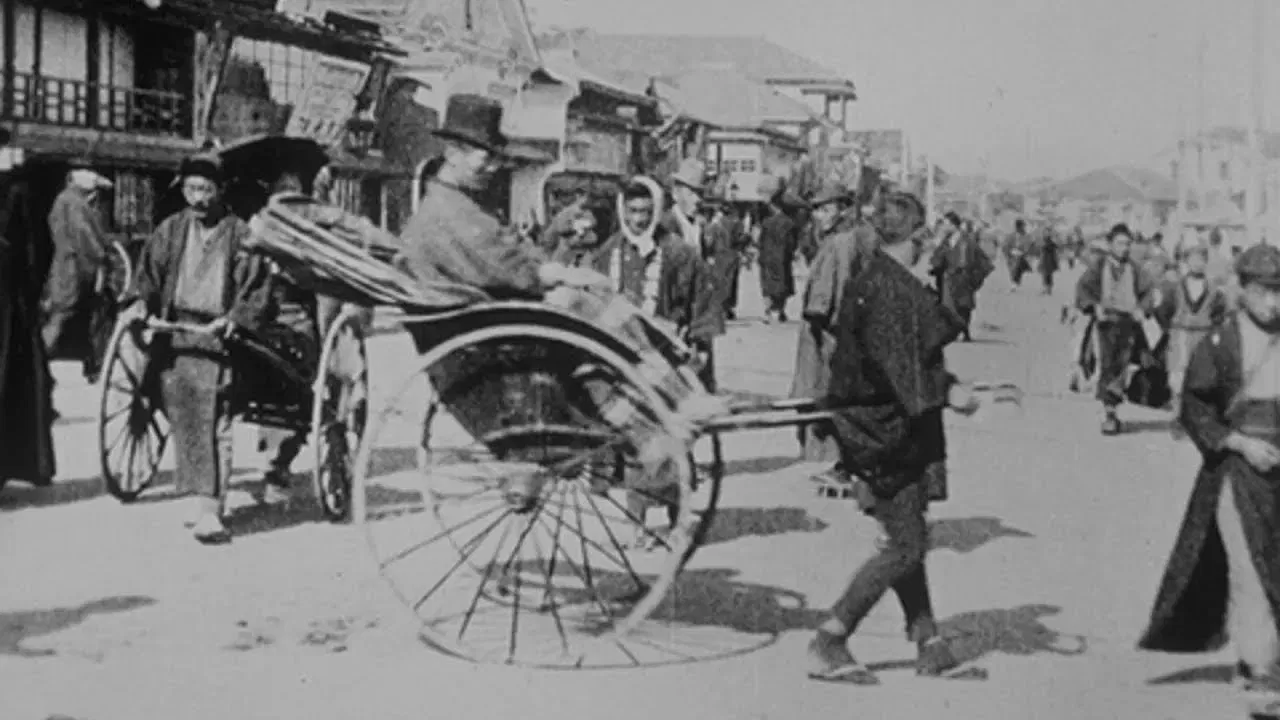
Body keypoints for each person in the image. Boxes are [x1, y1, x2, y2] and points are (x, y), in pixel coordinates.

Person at [395, 95, 724, 502]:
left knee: (595, 299)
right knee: (590, 305)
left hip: (494, 319)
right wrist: (551, 273)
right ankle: (673, 402)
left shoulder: (460, 203)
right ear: (454, 153)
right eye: (486, 155)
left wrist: (553, 270)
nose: (494, 165)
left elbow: (509, 246)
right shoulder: (444, 211)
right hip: (490, 335)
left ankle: (664, 402)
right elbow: (503, 261)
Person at [806, 190, 976, 684]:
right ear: (919, 237)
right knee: (905, 544)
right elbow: (906, 372)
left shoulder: (883, 280)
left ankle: (930, 641)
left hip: (881, 425)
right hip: (883, 432)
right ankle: (829, 639)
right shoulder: (889, 290)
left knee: (909, 530)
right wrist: (954, 394)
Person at [1139, 243, 1280, 718]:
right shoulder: (1221, 342)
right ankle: (1263, 672)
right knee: (1250, 568)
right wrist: (1238, 443)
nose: (1274, 303)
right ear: (1242, 290)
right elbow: (1196, 409)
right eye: (1264, 292)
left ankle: (1254, 656)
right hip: (1238, 472)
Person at [553, 175, 724, 548]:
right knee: (638, 444)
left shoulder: (679, 252)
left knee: (676, 443)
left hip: (667, 358)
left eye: (646, 212)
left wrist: (700, 342)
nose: (638, 220)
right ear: (621, 211)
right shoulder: (608, 252)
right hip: (625, 361)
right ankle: (638, 524)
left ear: (657, 212)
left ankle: (678, 523)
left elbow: (700, 304)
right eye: (631, 212)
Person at [132, 153, 274, 543]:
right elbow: (149, 275)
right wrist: (141, 304)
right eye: (192, 189)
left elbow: (256, 288)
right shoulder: (171, 230)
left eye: (206, 190)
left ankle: (213, 507)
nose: (198, 199)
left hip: (219, 338)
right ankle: (201, 498)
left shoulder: (239, 233)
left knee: (218, 421)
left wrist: (236, 318)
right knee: (185, 417)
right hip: (177, 334)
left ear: (220, 191)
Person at [789, 180, 864, 471]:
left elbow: (820, 302)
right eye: (816, 210)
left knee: (820, 393)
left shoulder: (837, 244)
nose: (818, 216)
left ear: (841, 210)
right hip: (843, 331)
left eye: (824, 210)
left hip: (826, 335)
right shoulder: (852, 238)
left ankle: (828, 458)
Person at [0, 129, 57, 489]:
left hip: (7, 301)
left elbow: (36, 247)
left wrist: (31, 294)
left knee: (8, 380)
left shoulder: (17, 191)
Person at [1074, 223, 1161, 435]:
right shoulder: (1098, 266)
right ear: (1111, 244)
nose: (1124, 248)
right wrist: (1094, 306)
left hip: (1128, 324)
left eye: (1127, 244)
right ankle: (1109, 411)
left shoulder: (1135, 268)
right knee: (1106, 365)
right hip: (1105, 323)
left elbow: (1149, 291)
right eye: (1120, 243)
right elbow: (1083, 288)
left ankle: (1112, 408)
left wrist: (1142, 308)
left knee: (1123, 365)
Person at [40, 158, 114, 379]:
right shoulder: (74, 203)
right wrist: (103, 256)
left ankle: (91, 364)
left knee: (68, 315)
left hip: (70, 267)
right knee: (68, 315)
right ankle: (92, 365)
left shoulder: (68, 200)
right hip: (76, 269)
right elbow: (86, 237)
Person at [1153, 244, 1228, 415]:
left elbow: (1220, 313)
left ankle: (1196, 418)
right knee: (1177, 378)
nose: (1197, 264)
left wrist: (1212, 330)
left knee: (1201, 378)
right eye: (1193, 259)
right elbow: (1164, 310)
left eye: (1201, 260)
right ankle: (1177, 415)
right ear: (1186, 262)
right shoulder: (1175, 286)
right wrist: (1171, 329)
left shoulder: (1214, 289)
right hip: (1180, 335)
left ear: (1206, 262)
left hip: (1203, 335)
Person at [929, 211, 993, 342]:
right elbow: (937, 259)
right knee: (948, 306)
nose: (944, 227)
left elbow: (984, 262)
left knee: (964, 306)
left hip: (963, 279)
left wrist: (974, 279)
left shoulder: (967, 241)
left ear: (953, 225)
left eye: (946, 224)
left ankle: (965, 331)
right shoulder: (946, 241)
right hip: (949, 279)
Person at [757, 181, 800, 323]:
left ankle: (767, 312)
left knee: (767, 285)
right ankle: (781, 311)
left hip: (767, 258)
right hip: (782, 258)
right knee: (783, 283)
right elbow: (792, 243)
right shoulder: (789, 223)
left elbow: (760, 242)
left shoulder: (766, 223)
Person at [1004, 219, 1032, 289]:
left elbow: (1029, 245)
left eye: (1024, 226)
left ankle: (1015, 282)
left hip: (1021, 255)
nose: (1023, 228)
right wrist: (1009, 252)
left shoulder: (1026, 235)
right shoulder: (1011, 235)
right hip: (1011, 255)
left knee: (1017, 268)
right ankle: (1015, 281)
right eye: (1022, 226)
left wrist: (1024, 252)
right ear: (1018, 227)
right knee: (1012, 269)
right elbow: (1006, 245)